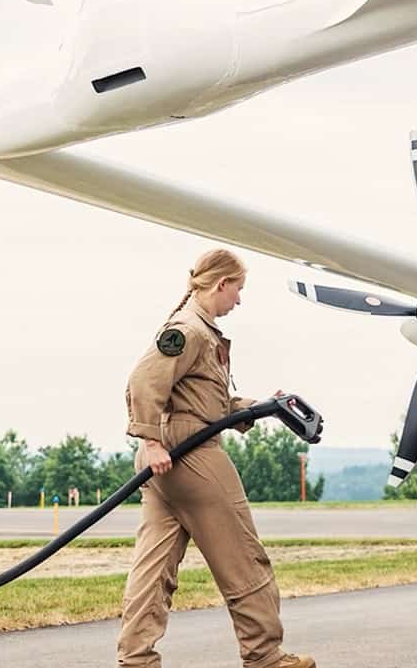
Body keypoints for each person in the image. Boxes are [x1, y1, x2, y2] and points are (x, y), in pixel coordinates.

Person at [117, 248, 315, 668]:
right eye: (238, 290)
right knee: (244, 557)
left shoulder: (199, 330)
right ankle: (264, 655)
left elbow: (204, 402)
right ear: (220, 284)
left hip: (166, 462)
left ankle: (136, 659)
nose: (239, 300)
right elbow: (142, 381)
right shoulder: (188, 331)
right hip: (189, 456)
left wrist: (260, 406)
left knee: (154, 569)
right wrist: (151, 442)